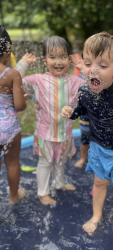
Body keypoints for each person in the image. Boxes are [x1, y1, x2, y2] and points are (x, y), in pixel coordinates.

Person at [61, 31, 113, 235]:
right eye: (88, 64)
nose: (94, 71)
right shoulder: (85, 91)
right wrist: (72, 113)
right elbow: (82, 110)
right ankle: (96, 216)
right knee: (99, 182)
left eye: (102, 66)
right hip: (98, 145)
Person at [15, 36, 85, 206]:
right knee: (45, 163)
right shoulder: (38, 80)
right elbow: (13, 82)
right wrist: (23, 64)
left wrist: (83, 68)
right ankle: (42, 193)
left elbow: (95, 86)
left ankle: (59, 184)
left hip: (65, 133)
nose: (58, 61)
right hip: (45, 134)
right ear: (44, 61)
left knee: (61, 161)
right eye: (53, 57)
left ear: (69, 60)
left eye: (62, 57)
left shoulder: (75, 81)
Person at [0, 26, 27, 204]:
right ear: (7, 50)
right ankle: (14, 197)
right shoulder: (12, 74)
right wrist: (23, 99)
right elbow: (18, 105)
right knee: (12, 163)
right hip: (9, 128)